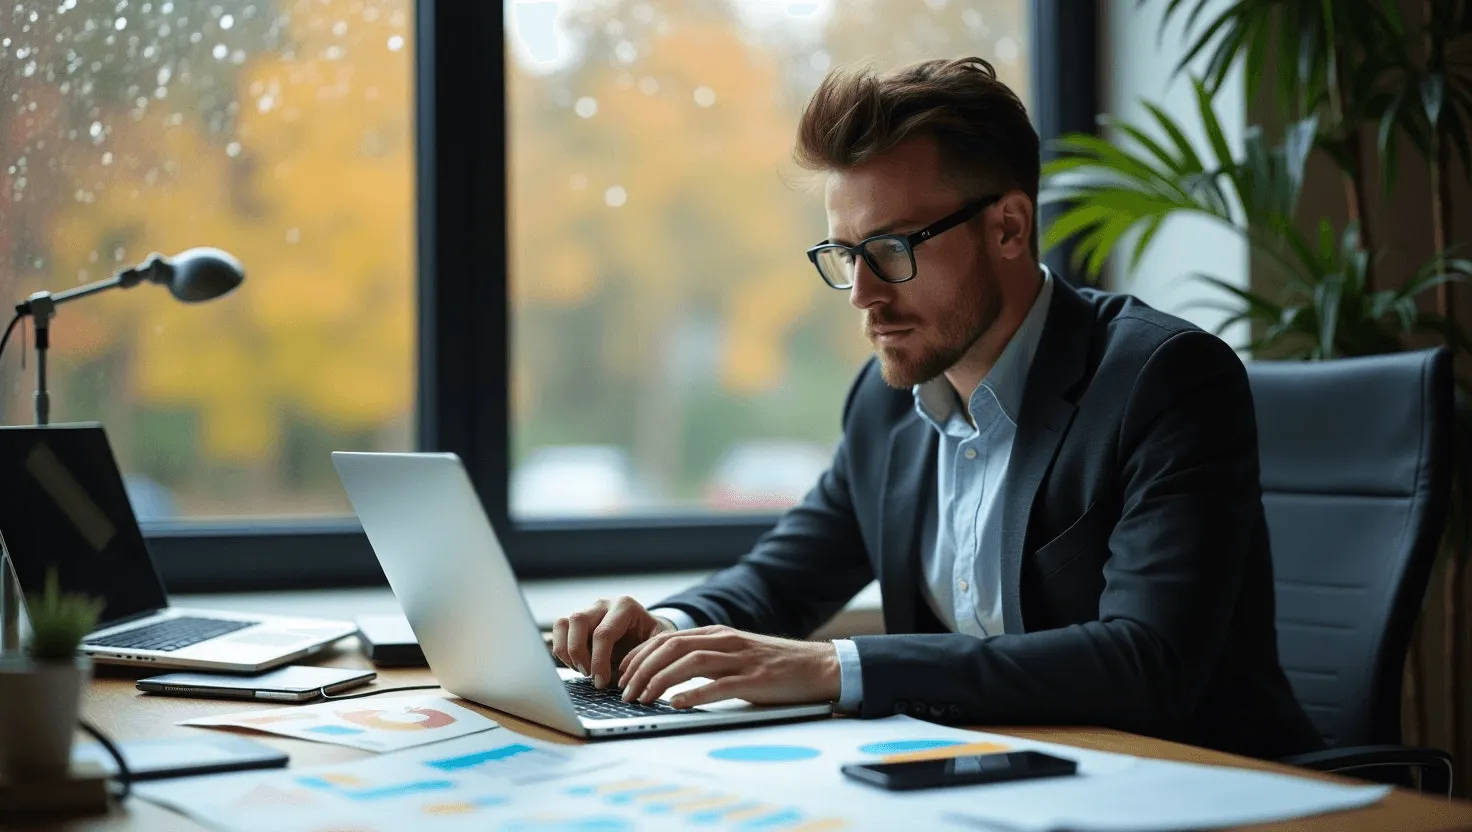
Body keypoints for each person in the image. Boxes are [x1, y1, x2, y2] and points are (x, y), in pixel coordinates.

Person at [551, 56, 1323, 760]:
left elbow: (1145, 662)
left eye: (891, 250)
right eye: (845, 255)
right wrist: (665, 629)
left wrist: (832, 667)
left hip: (1201, 786)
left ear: (1010, 227)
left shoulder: (1165, 381)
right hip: (994, 787)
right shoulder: (887, 403)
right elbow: (780, 581)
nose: (862, 295)